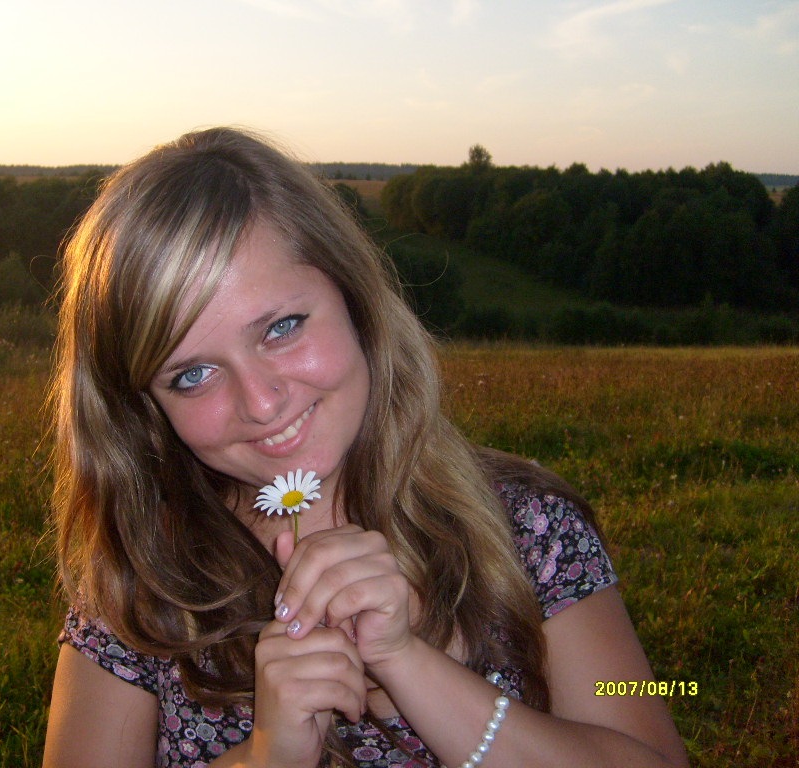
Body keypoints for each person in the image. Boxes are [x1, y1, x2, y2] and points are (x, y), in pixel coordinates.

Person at [42, 126, 689, 768]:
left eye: (282, 328)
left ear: (353, 297)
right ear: (144, 408)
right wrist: (266, 759)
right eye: (193, 375)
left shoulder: (533, 529)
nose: (261, 403)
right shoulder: (140, 583)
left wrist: (407, 663)